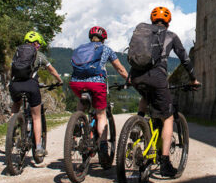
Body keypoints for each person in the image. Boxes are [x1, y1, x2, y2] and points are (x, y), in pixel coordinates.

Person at [130, 6, 200, 177]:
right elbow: (184, 58)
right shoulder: (171, 36)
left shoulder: (143, 32)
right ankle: (165, 162)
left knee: (146, 95)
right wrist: (193, 79)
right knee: (168, 117)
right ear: (168, 21)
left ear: (152, 20)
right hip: (157, 77)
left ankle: (138, 123)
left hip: (136, 76)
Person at [69, 26, 128, 163]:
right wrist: (129, 80)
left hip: (76, 83)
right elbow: (119, 68)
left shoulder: (79, 48)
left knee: (81, 106)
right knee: (101, 115)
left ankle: (75, 129)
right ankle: (102, 147)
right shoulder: (106, 49)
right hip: (96, 84)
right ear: (104, 38)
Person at [9, 31, 62, 162]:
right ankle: (38, 148)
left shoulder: (17, 53)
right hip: (31, 86)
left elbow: (11, 68)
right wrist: (59, 80)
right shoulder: (39, 56)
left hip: (15, 85)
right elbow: (52, 70)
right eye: (39, 44)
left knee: (16, 105)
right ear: (36, 43)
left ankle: (11, 134)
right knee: (36, 116)